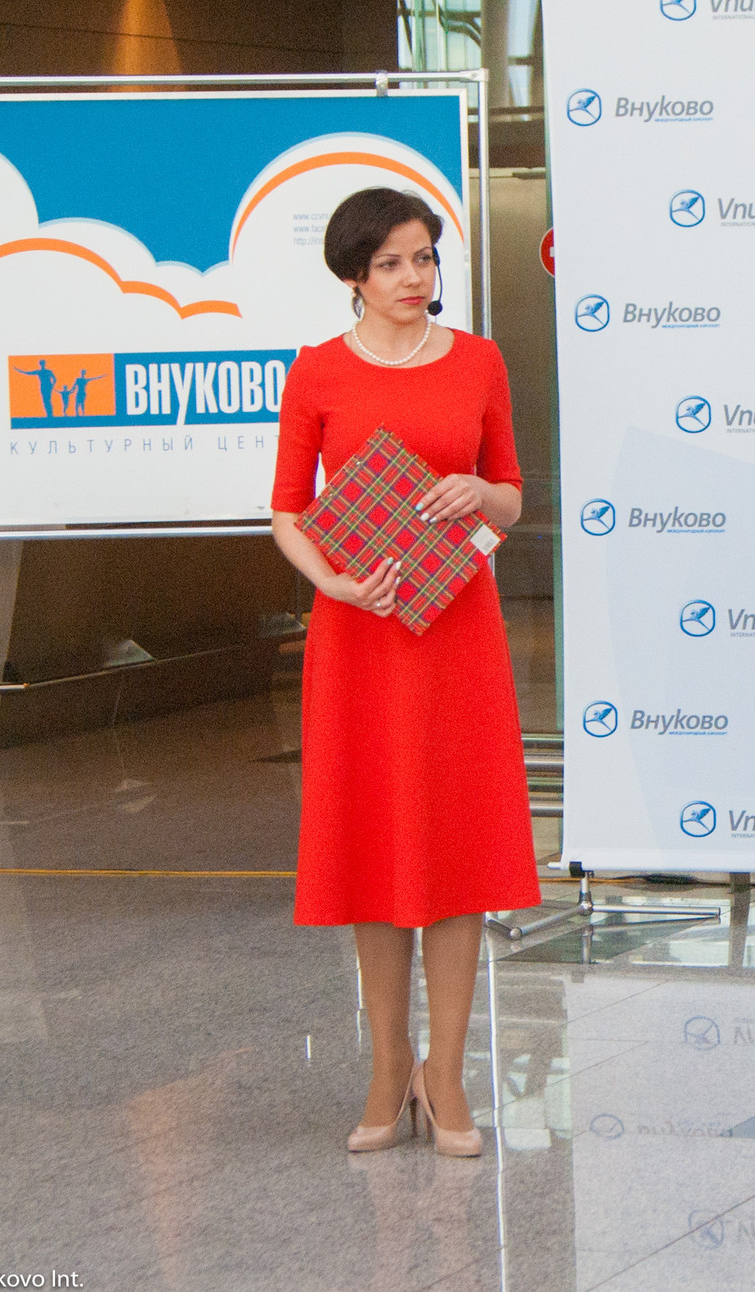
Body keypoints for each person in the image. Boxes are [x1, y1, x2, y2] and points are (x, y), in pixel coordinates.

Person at [269, 187, 540, 1158]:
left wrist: (483, 493)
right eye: (390, 263)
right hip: (360, 635)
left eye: (423, 258)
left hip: (457, 631)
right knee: (374, 849)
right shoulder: (317, 372)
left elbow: (512, 493)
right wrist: (336, 584)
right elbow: (287, 511)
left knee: (457, 847)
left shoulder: (477, 360)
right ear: (353, 275)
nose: (413, 277)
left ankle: (447, 1072)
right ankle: (389, 1068)